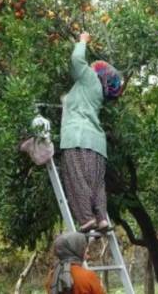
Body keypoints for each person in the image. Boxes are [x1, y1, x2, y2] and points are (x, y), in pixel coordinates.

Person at [60, 32, 123, 233]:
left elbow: (77, 59)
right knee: (96, 184)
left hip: (77, 138)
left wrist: (83, 41)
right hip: (96, 143)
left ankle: (87, 219)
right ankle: (102, 218)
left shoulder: (89, 79)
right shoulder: (97, 92)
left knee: (77, 178)